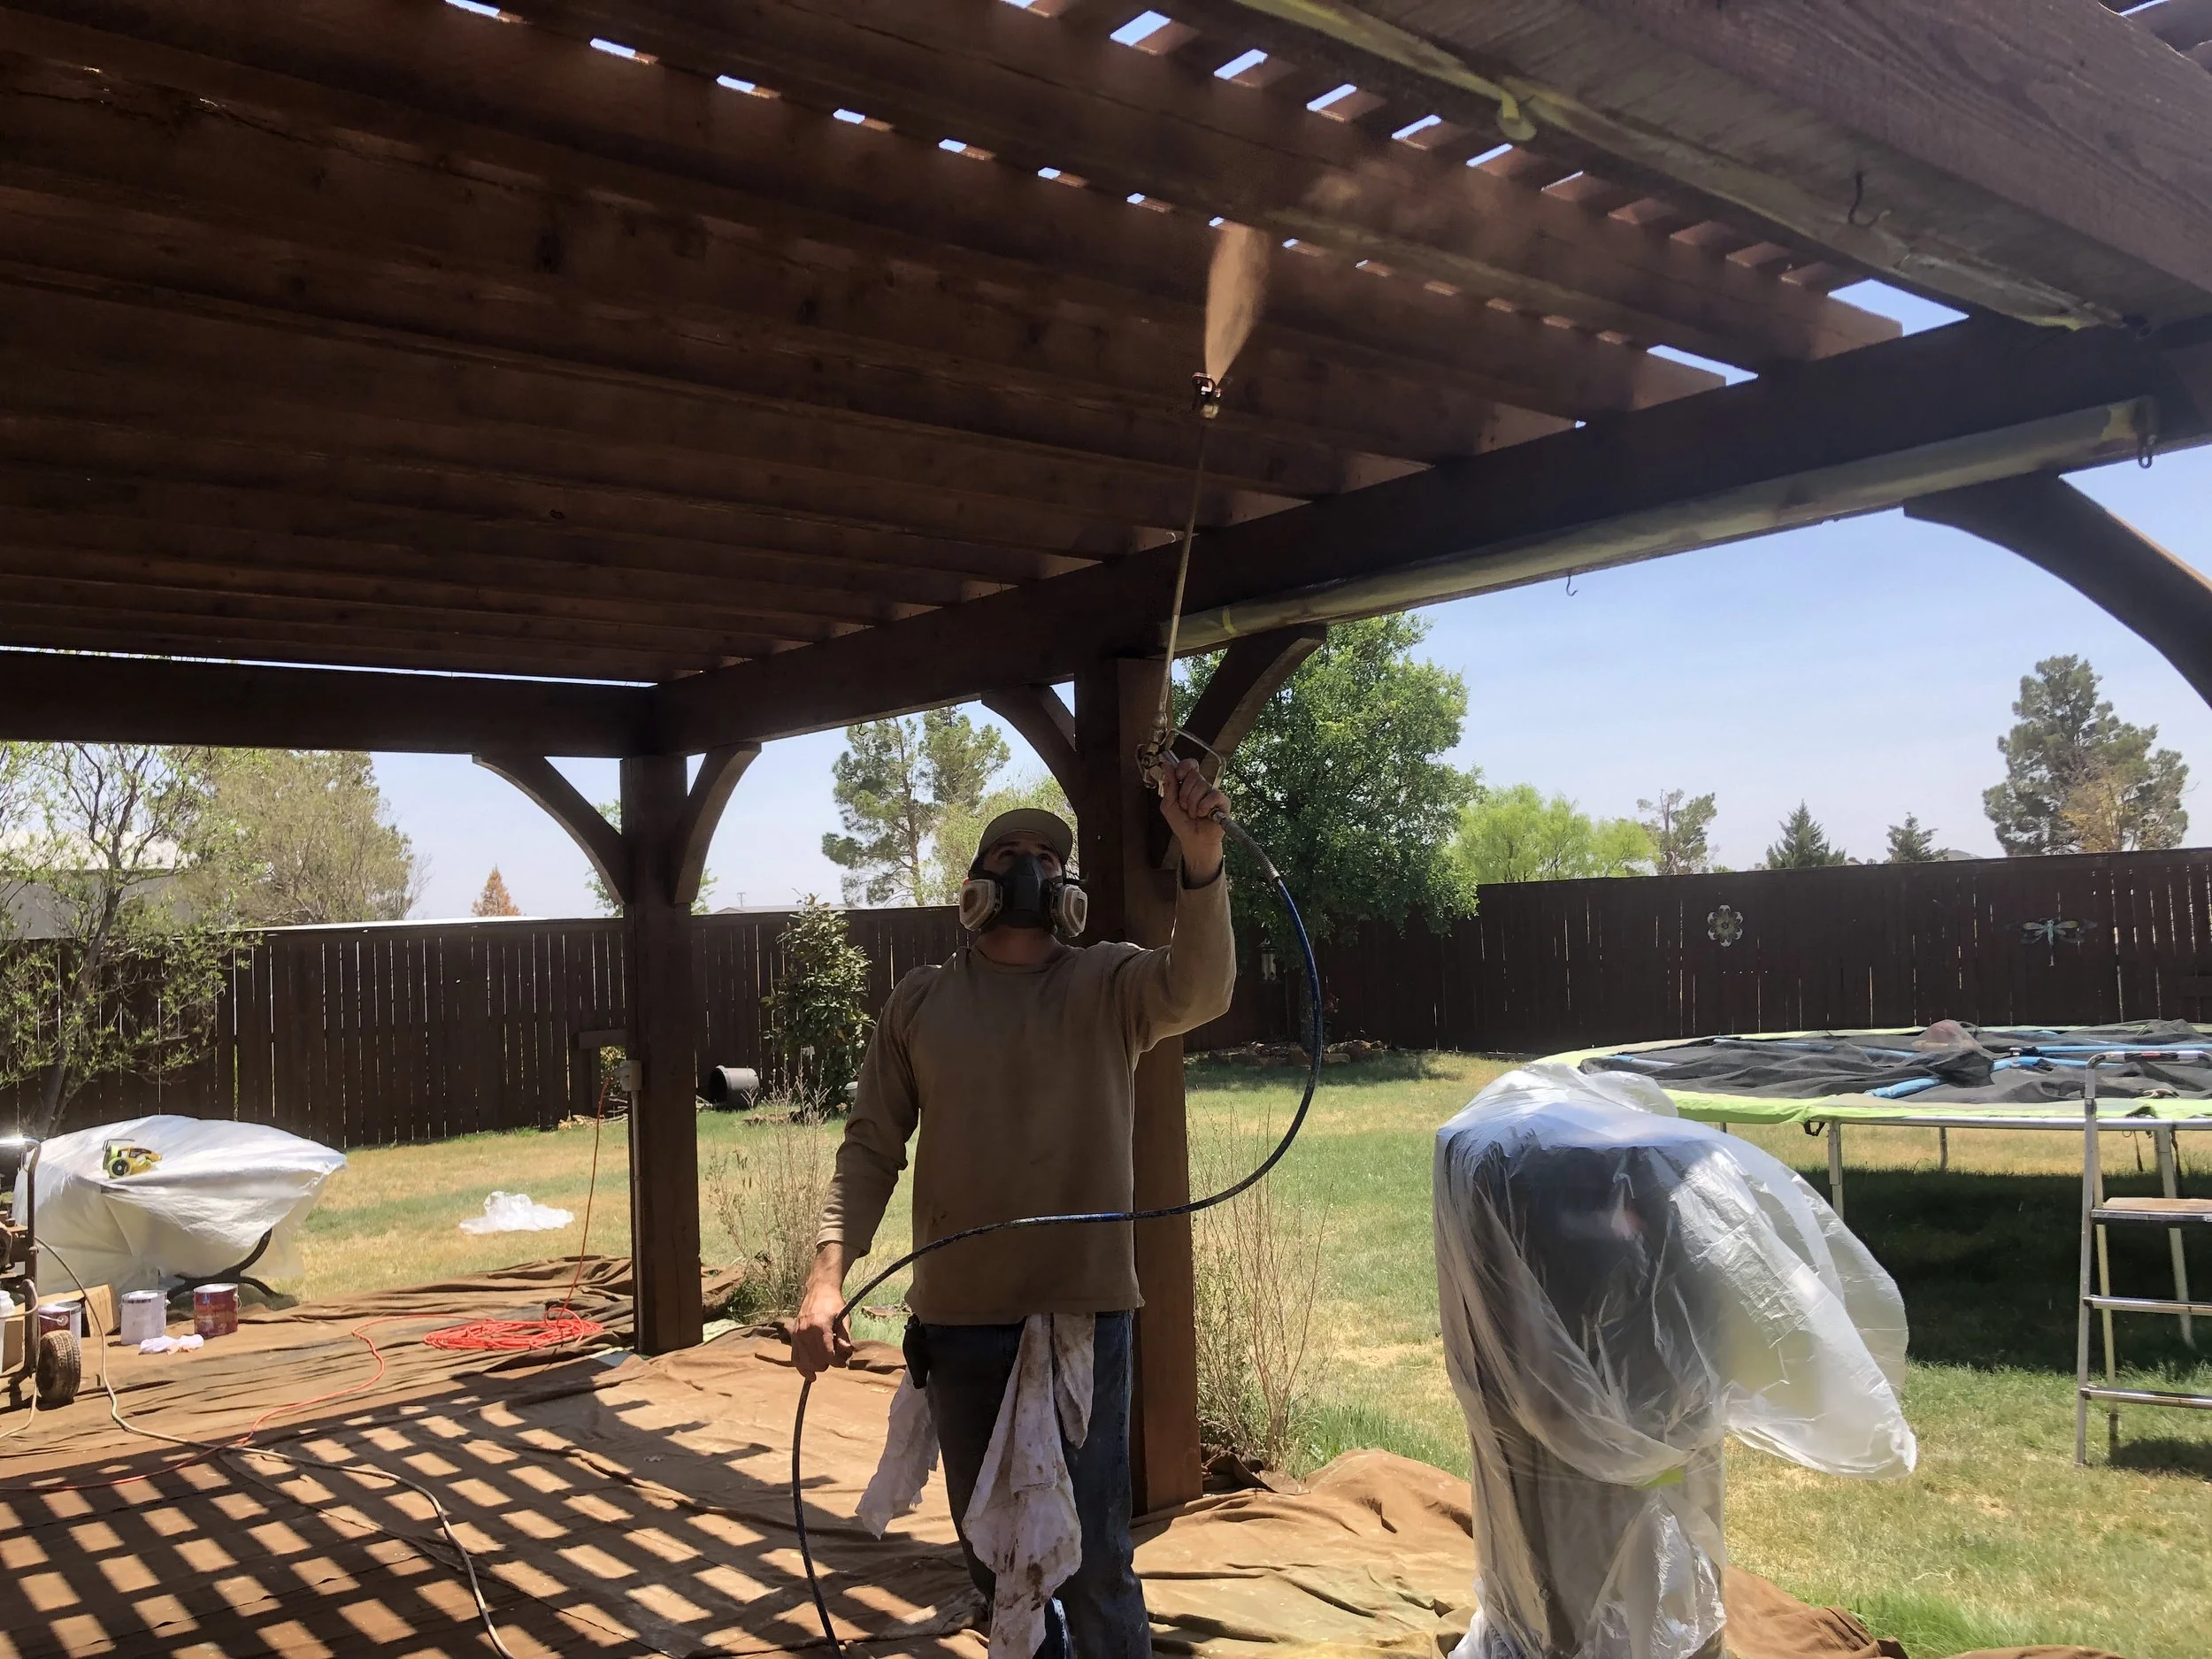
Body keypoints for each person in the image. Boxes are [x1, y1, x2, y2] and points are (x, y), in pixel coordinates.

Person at [794, 757, 1235, 1659]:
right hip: (959, 1323)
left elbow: (1201, 988)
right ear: (976, 883)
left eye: (1046, 854)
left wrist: (1200, 857)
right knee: (993, 1553)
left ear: (1065, 888)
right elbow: (871, 1146)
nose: (1029, 865)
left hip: (1082, 1319)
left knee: (1097, 1553)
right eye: (1011, 851)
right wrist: (823, 1278)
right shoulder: (921, 1002)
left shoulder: (1112, 984)